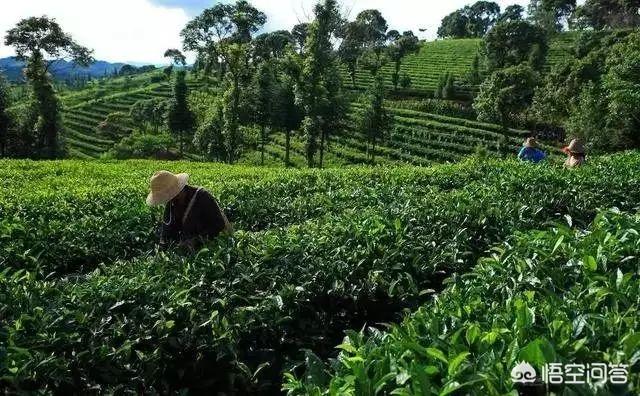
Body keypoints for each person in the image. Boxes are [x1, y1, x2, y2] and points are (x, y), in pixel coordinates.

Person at [146, 170, 232, 250]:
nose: (168, 199)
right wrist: (163, 247)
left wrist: (196, 240)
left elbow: (219, 225)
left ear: (179, 189)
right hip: (190, 251)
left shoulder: (202, 197)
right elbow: (166, 232)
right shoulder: (171, 203)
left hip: (214, 248)